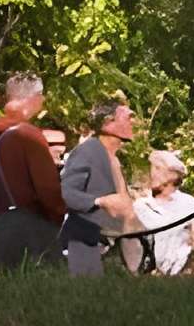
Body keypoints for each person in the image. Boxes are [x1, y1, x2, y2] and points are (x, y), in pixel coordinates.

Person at [0, 72, 68, 273]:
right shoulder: (29, 136)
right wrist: (56, 219)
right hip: (23, 239)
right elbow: (48, 191)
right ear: (35, 98)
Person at [59, 95, 140, 276]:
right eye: (128, 117)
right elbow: (65, 193)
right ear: (107, 123)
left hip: (107, 250)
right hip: (84, 247)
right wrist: (99, 201)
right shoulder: (87, 151)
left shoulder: (113, 157)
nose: (133, 122)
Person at [130, 149, 194, 276]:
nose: (153, 174)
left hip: (183, 276)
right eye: (153, 168)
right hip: (146, 278)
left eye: (158, 168)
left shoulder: (189, 204)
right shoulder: (140, 207)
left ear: (173, 175)